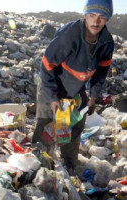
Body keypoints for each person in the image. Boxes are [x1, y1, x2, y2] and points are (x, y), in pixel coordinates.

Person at [32, 0, 114, 170]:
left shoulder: (107, 42)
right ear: (85, 15)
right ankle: (39, 166)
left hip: (75, 89)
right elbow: (47, 67)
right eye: (92, 15)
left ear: (107, 19)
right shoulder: (68, 36)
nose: (96, 21)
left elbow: (101, 72)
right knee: (46, 126)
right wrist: (53, 98)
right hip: (52, 85)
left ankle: (69, 164)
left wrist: (93, 96)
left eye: (102, 17)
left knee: (75, 124)